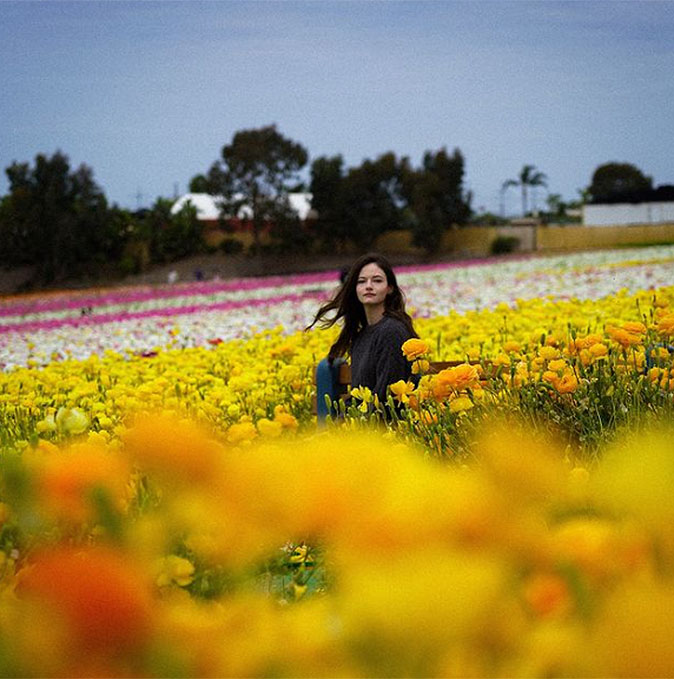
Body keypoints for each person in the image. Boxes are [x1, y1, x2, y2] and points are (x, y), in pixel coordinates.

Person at [308, 253, 418, 416]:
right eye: (361, 281)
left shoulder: (392, 331)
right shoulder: (360, 336)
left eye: (377, 280)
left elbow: (386, 400)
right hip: (364, 427)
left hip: (386, 431)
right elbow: (358, 397)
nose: (368, 286)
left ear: (390, 288)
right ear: (355, 289)